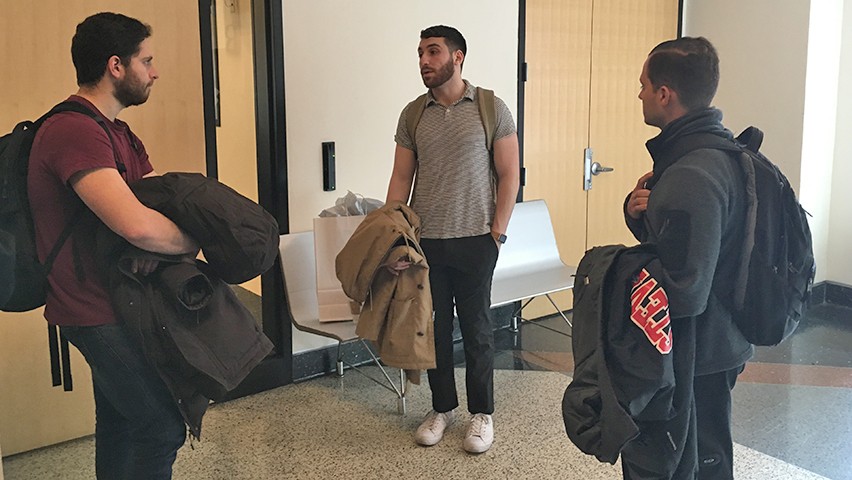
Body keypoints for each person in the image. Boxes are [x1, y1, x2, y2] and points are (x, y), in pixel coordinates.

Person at [28, 12, 198, 479]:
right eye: (147, 59)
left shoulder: (118, 132)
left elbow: (149, 205)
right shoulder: (74, 131)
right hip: (90, 309)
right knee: (162, 427)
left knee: (121, 422)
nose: (156, 71)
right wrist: (194, 242)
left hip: (117, 301)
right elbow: (139, 226)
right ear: (116, 66)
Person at [386, 25, 520, 454]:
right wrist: (395, 238)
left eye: (433, 52)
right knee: (433, 330)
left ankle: (482, 414)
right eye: (421, 53)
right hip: (427, 244)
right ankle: (442, 408)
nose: (424, 60)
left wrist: (496, 233)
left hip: (477, 239)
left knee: (478, 329)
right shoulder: (413, 114)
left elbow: (509, 174)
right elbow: (401, 179)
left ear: (457, 57)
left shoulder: (489, 106)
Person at [624, 37, 754, 479]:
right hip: (720, 339)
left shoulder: (691, 174)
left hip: (697, 350)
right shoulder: (718, 154)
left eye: (644, 85)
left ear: (665, 94)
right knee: (705, 453)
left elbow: (684, 289)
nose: (639, 93)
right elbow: (696, 246)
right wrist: (639, 213)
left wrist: (620, 272)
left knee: (695, 462)